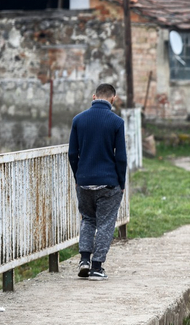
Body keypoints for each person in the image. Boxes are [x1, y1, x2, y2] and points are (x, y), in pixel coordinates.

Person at [68, 83, 127, 281]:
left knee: (88, 219)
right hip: (108, 183)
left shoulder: (78, 120)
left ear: (94, 97)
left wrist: (78, 177)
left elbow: (72, 154)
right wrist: (121, 182)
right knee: (105, 224)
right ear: (113, 99)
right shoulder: (116, 122)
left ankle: (84, 259)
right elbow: (121, 158)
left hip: (84, 182)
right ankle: (96, 267)